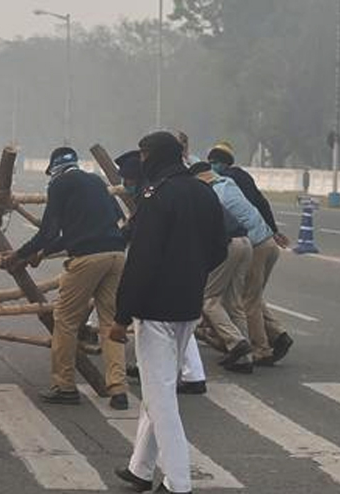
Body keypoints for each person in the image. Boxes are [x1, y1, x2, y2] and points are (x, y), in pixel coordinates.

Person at [111, 132, 228, 494]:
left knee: (162, 401)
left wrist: (121, 315)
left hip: (156, 310)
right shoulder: (203, 191)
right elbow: (218, 250)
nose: (141, 160)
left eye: (144, 154)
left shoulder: (156, 196)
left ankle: (179, 484)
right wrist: (190, 273)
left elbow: (141, 261)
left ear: (156, 156)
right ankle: (141, 469)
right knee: (158, 391)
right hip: (187, 306)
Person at [4, 147, 129, 410]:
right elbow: (112, 221)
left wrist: (20, 254)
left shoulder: (60, 184)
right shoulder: (95, 181)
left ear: (54, 169)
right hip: (117, 255)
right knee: (110, 323)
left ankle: (64, 386)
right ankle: (118, 388)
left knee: (65, 321)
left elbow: (49, 230)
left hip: (87, 259)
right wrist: (42, 252)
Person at [117, 149, 208, 394]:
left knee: (158, 389)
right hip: (188, 286)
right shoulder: (194, 188)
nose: (127, 187)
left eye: (129, 181)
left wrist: (122, 316)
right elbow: (216, 245)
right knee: (178, 338)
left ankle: (187, 376)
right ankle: (193, 375)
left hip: (158, 294)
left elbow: (142, 256)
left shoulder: (155, 193)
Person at [208, 142, 293, 366]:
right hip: (266, 241)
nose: (212, 166)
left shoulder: (223, 184)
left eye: (213, 162)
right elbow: (261, 203)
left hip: (253, 244)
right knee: (252, 296)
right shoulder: (238, 179)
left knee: (247, 301)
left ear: (220, 163)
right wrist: (274, 231)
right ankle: (278, 335)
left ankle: (261, 349)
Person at [190, 161, 276, 374]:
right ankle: (245, 358)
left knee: (209, 300)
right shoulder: (228, 184)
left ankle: (237, 342)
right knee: (234, 302)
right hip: (247, 242)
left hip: (231, 243)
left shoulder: (204, 194)